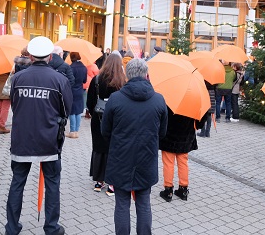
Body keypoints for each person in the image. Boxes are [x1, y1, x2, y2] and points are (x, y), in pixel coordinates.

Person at [5, 36, 73, 235]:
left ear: (31, 56)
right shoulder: (60, 79)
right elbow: (66, 109)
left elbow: (14, 104)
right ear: (50, 57)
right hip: (49, 139)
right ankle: (51, 227)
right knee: (52, 183)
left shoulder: (17, 78)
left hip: (22, 138)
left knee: (17, 181)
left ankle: (11, 227)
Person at [101, 58, 168, 235]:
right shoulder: (159, 100)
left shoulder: (115, 99)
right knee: (144, 202)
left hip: (121, 158)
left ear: (126, 76)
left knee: (122, 203)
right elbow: (162, 133)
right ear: (147, 75)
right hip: (146, 158)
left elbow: (105, 131)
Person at [86, 53, 126, 196]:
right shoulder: (121, 82)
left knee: (98, 149)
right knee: (113, 151)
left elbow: (89, 102)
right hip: (116, 121)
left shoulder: (97, 79)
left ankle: (98, 181)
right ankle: (112, 183)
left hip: (98, 119)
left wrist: (94, 113)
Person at [159, 108, 206, 202]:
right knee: (183, 163)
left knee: (168, 163)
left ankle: (168, 190)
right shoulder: (193, 99)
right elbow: (201, 120)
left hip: (169, 136)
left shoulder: (168, 99)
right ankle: (183, 189)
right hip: (185, 136)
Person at [68, 51, 87, 138]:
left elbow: (69, 80)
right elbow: (84, 80)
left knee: (72, 111)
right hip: (80, 90)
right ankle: (76, 131)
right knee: (79, 111)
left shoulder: (70, 68)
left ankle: (72, 131)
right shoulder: (84, 67)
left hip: (72, 90)